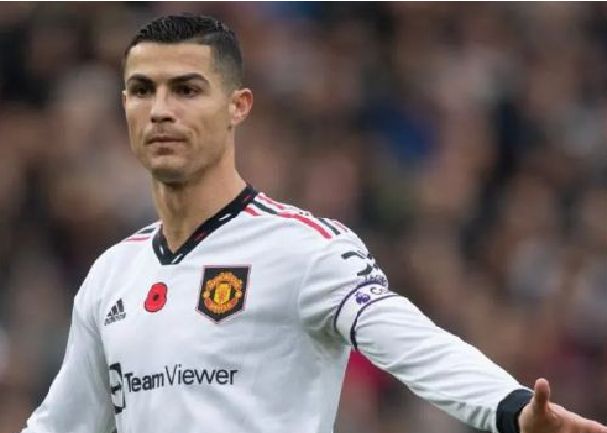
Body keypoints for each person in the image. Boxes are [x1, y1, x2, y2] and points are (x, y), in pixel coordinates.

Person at [19, 14, 606, 433]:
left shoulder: (304, 249)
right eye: (142, 90)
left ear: (238, 106)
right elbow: (62, 422)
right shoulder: (111, 276)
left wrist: (509, 408)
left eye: (187, 89)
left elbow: (411, 341)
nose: (161, 110)